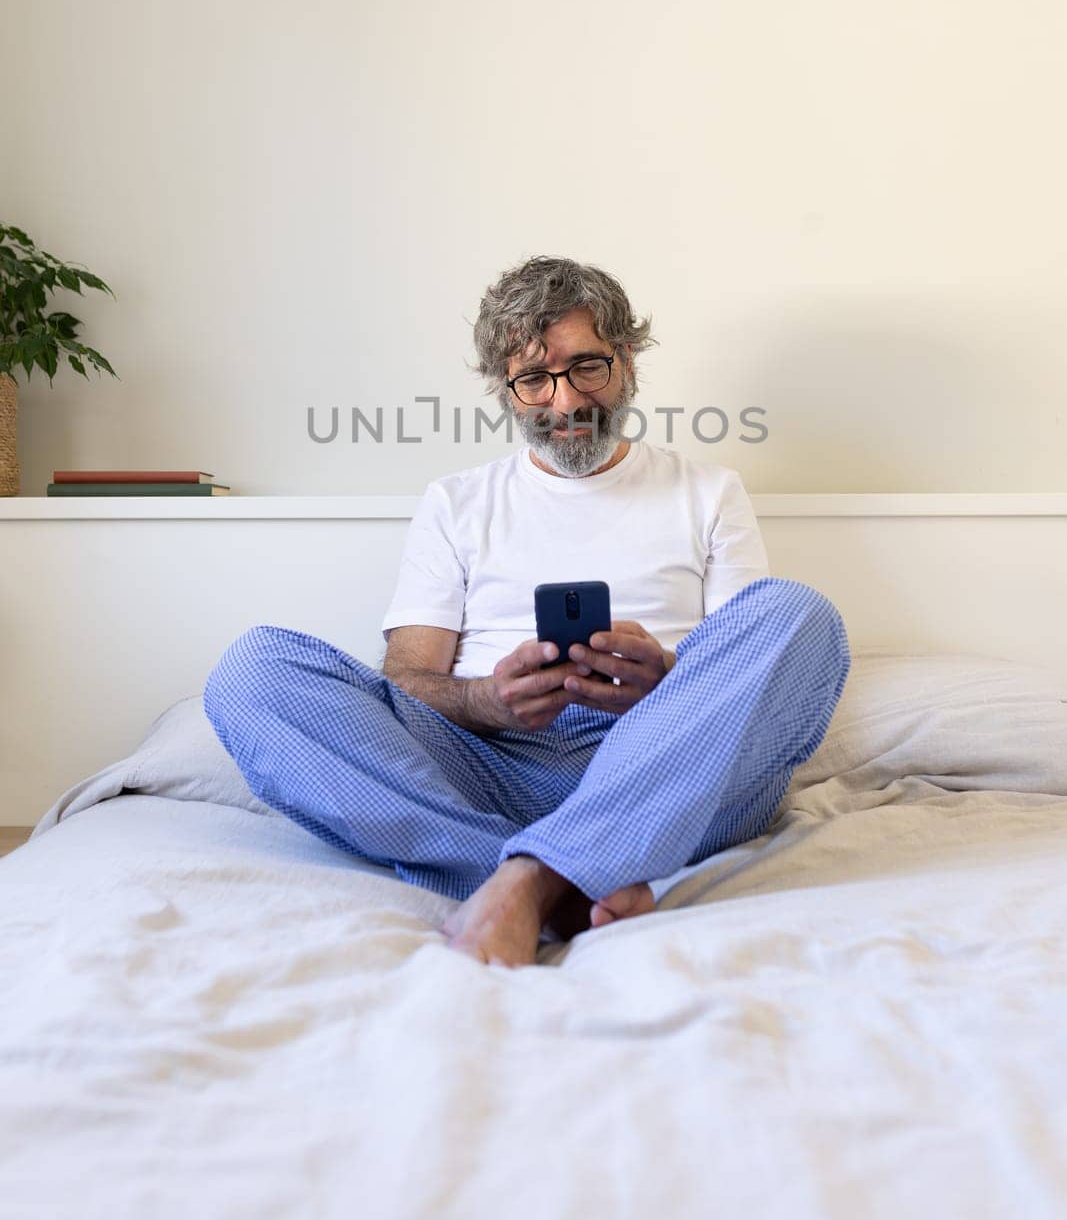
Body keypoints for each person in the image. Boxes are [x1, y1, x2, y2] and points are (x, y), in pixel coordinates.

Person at [204, 256, 851, 967]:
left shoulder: (708, 492)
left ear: (627, 361)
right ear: (505, 391)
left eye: (586, 369)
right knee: (254, 669)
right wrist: (487, 699)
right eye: (534, 379)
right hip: (489, 767)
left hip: (670, 765)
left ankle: (529, 880)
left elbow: (745, 663)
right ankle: (570, 877)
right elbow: (408, 679)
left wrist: (666, 677)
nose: (566, 402)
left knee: (797, 613)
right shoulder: (456, 503)